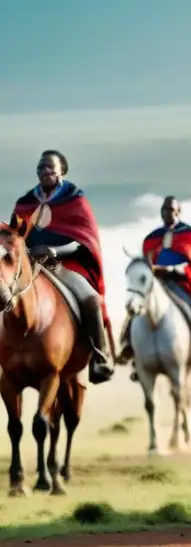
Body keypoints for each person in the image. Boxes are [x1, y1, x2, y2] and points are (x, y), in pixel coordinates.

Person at [10, 150, 115, 384]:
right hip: (30, 267)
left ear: (62, 171)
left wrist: (54, 252)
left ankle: (100, 357)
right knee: (5, 295)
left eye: (51, 167)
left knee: (90, 300)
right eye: (41, 168)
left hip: (65, 266)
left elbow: (84, 242)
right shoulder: (26, 202)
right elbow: (15, 238)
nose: (45, 171)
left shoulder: (75, 200)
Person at [123, 196, 191, 373]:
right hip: (157, 282)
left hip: (181, 280)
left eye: (170, 209)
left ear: (178, 211)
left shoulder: (189, 234)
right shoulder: (153, 237)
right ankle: (129, 346)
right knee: (137, 304)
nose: (167, 213)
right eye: (164, 209)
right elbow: (148, 261)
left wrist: (170, 268)